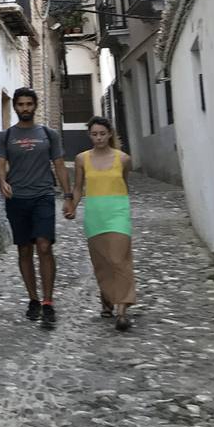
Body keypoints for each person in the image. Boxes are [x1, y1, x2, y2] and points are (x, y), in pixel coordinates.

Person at [0, 87, 73, 326]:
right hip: (17, 198)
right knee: (24, 249)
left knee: (44, 245)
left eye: (29, 104)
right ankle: (33, 299)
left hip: (43, 196)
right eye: (20, 105)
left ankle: (48, 302)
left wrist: (68, 195)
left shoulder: (49, 134)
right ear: (15, 107)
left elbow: (59, 165)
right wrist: (2, 182)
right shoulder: (5, 136)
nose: (25, 109)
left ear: (35, 105)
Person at [67, 115, 136, 331]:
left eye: (102, 134)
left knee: (119, 259)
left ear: (110, 134)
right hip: (95, 214)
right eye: (94, 134)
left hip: (118, 212)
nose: (99, 138)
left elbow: (124, 184)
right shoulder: (81, 159)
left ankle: (122, 312)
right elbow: (78, 187)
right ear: (89, 135)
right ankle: (107, 299)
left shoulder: (123, 159)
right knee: (102, 262)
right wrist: (73, 205)